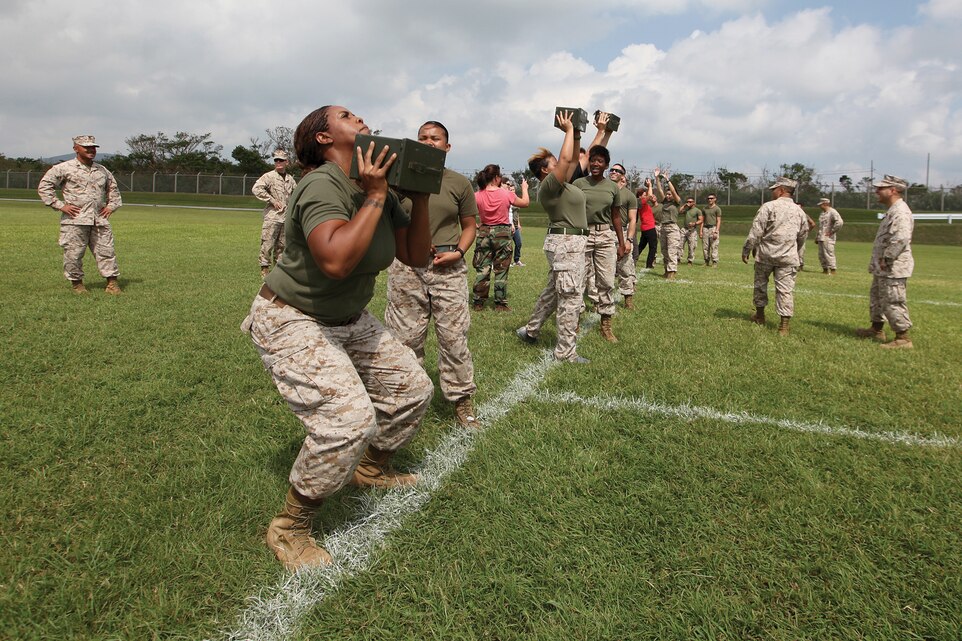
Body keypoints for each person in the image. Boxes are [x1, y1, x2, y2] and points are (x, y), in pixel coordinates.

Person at [242, 105, 434, 571]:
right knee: (346, 421)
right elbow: (335, 262)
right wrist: (374, 195)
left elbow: (415, 254)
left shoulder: (375, 185)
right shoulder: (322, 183)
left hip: (349, 317)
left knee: (412, 390)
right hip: (293, 317)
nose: (362, 119)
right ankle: (290, 526)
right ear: (323, 138)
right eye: (348, 115)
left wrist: (419, 196)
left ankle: (369, 469)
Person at [384, 121, 480, 428]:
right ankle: (407, 401)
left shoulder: (458, 183)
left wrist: (460, 251)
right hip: (407, 267)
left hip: (448, 267)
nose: (428, 142)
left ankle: (462, 401)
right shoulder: (398, 183)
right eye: (422, 138)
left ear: (447, 147)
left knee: (453, 338)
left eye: (435, 138)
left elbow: (470, 226)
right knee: (405, 339)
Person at [516, 110, 590, 363]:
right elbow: (568, 158)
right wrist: (568, 131)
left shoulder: (564, 183)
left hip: (569, 244)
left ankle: (531, 331)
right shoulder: (548, 186)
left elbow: (572, 160)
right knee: (570, 298)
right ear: (546, 172)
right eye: (554, 163)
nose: (561, 164)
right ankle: (565, 353)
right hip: (566, 245)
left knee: (554, 292)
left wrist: (576, 134)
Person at [37, 135, 123, 294]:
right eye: (87, 147)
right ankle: (77, 285)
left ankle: (112, 284)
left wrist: (111, 206)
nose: (91, 150)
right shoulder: (64, 168)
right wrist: (60, 206)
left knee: (107, 252)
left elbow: (113, 190)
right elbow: (44, 187)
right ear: (76, 148)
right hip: (75, 220)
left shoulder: (102, 170)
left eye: (94, 147)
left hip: (99, 220)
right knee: (73, 254)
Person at [741, 177, 809, 336]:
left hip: (766, 255)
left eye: (774, 189)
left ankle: (760, 316)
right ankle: (783, 326)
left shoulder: (768, 207)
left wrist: (747, 250)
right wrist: (795, 249)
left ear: (781, 190)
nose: (772, 191)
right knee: (785, 290)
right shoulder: (799, 211)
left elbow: (756, 232)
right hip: (787, 257)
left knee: (760, 285)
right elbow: (803, 234)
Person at [855, 175, 915, 349]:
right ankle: (876, 329)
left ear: (893, 190)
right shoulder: (892, 210)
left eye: (881, 189)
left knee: (893, 299)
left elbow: (901, 238)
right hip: (884, 266)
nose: (876, 192)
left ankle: (903, 337)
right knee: (878, 298)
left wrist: (887, 258)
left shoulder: (900, 212)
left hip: (893, 267)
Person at [574, 145, 626, 342]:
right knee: (578, 281)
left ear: (605, 165)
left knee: (605, 281)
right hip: (583, 235)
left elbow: (616, 217)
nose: (596, 164)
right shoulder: (579, 183)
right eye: (593, 160)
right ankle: (575, 321)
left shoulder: (612, 187)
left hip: (605, 236)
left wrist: (621, 243)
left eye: (600, 161)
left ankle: (606, 325)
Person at [472, 165, 529, 311]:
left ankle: (478, 302)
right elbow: (525, 203)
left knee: (482, 269)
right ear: (497, 178)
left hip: (484, 232)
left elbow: (465, 212)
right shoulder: (505, 194)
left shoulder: (477, 195)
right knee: (501, 269)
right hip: (502, 233)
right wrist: (524, 188)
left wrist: (476, 225)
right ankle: (500, 304)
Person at [252, 150, 298, 278]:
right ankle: (264, 269)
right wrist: (272, 200)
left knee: (282, 245)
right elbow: (256, 189)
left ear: (286, 162)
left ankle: (279, 271)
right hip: (273, 216)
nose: (278, 162)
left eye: (281, 160)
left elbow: (296, 194)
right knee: (268, 243)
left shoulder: (290, 179)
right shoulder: (269, 176)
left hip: (286, 217)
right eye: (276, 160)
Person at [610, 164, 638, 309]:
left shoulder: (629, 196)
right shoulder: (604, 190)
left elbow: (633, 219)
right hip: (604, 232)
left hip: (621, 232)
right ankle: (598, 300)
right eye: (612, 170)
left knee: (625, 267)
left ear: (623, 175)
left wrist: (628, 240)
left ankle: (628, 299)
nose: (613, 172)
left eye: (617, 171)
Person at [654, 169, 681, 279]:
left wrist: (667, 179)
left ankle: (672, 272)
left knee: (672, 251)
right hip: (663, 228)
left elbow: (674, 192)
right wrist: (657, 178)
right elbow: (660, 190)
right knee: (664, 251)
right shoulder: (665, 202)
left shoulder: (676, 202)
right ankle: (666, 270)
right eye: (667, 194)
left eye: (670, 194)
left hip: (672, 228)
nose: (668, 195)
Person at [815, 197, 844, 274]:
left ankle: (833, 270)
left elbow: (839, 222)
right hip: (821, 237)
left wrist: (832, 231)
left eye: (821, 205)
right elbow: (821, 226)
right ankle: (824, 269)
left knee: (829, 253)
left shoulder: (833, 212)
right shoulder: (822, 213)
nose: (820, 206)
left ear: (825, 204)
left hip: (828, 237)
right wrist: (817, 236)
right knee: (821, 254)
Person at [635, 180, 658, 269]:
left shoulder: (642, 203)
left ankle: (634, 259)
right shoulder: (641, 202)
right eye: (644, 195)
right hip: (649, 228)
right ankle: (649, 265)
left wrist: (649, 187)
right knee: (653, 247)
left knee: (641, 246)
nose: (646, 196)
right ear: (640, 196)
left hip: (645, 228)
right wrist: (650, 185)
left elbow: (649, 196)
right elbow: (650, 196)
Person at [679, 196, 703, 266]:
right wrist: (684, 205)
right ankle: (678, 258)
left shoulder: (697, 210)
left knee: (692, 246)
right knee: (680, 244)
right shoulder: (686, 210)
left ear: (694, 203)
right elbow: (680, 211)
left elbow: (701, 220)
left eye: (690, 202)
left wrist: (694, 223)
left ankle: (690, 261)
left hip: (692, 230)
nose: (688, 203)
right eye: (687, 202)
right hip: (684, 229)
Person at [701, 193, 722, 266]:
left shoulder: (717, 209)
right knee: (705, 246)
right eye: (708, 198)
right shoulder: (704, 209)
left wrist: (716, 231)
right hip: (705, 228)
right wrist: (701, 231)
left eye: (711, 198)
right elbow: (702, 221)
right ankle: (706, 261)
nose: (709, 199)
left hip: (713, 228)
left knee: (714, 245)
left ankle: (714, 262)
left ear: (715, 199)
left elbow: (718, 220)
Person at [509, 186, 525, 267]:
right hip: (508, 225)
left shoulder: (516, 199)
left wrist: (518, 224)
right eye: (510, 189)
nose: (512, 191)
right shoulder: (507, 198)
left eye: (513, 189)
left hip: (515, 226)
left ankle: (516, 260)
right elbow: (508, 213)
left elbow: (517, 213)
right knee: (507, 245)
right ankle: (506, 262)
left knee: (519, 243)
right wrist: (511, 223)